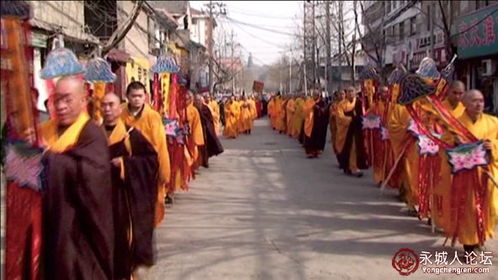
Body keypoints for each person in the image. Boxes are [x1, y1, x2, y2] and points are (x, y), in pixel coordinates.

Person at [39, 76, 114, 279]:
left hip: (79, 233)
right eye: (57, 100)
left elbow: (93, 176)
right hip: (52, 226)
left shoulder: (91, 134)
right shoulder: (45, 130)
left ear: (83, 100)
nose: (61, 106)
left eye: (67, 99)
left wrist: (49, 160)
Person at [101, 93, 159, 279]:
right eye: (104, 105)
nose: (107, 109)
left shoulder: (130, 135)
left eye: (111, 105)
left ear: (120, 109)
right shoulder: (92, 135)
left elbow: (151, 160)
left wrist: (126, 164)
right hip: (99, 199)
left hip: (123, 200)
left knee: (123, 243)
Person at [442, 89, 498, 253]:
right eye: (474, 100)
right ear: (464, 103)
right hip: (465, 175)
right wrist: (453, 140)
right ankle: (469, 246)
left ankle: (480, 237)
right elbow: (444, 144)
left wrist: (493, 146)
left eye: (481, 100)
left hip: (487, 173)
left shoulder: (493, 122)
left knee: (490, 207)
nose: (479, 103)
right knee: (469, 209)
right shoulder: (455, 123)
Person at [121, 81, 170, 222]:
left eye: (140, 96)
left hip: (146, 168)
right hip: (125, 166)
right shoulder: (120, 114)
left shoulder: (153, 117)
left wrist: (163, 172)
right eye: (133, 96)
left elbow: (160, 146)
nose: (137, 99)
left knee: (145, 210)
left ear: (145, 97)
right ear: (127, 97)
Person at [335, 87, 368, 176]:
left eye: (352, 91)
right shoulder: (342, 104)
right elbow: (339, 117)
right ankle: (349, 167)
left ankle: (354, 166)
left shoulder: (359, 103)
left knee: (356, 148)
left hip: (357, 129)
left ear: (355, 93)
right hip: (346, 130)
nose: (350, 93)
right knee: (348, 148)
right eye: (349, 91)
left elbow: (365, 114)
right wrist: (350, 119)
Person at [194, 94, 224, 168]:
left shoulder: (205, 108)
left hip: (205, 130)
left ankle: (205, 161)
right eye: (197, 101)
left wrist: (208, 125)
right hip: (197, 130)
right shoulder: (194, 108)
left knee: (206, 147)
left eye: (199, 100)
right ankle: (198, 162)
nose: (198, 102)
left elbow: (210, 119)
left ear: (202, 101)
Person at [303, 92, 329, 158]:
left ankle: (316, 151)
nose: (315, 96)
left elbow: (325, 110)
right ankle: (310, 152)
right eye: (314, 95)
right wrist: (312, 107)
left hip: (318, 123)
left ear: (319, 95)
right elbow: (305, 110)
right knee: (309, 137)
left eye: (317, 95)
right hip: (310, 122)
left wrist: (319, 108)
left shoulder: (322, 102)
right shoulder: (309, 101)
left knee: (317, 137)